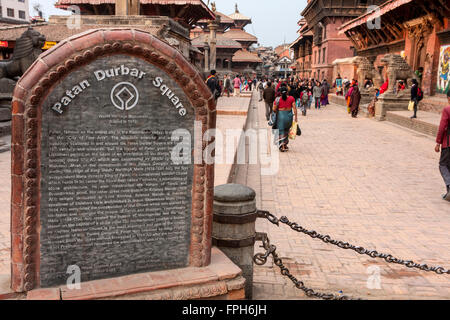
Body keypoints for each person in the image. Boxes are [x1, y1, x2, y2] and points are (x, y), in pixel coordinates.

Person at [435, 90, 450, 201]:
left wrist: (438, 142)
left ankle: (449, 185)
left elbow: (442, 127)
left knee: (443, 165)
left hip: (448, 143)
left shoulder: (447, 109)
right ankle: (448, 192)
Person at [273, 86, 298, 152]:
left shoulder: (277, 99)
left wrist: (277, 112)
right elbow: (294, 108)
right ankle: (285, 144)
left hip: (281, 117)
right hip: (289, 117)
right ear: (287, 92)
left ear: (280, 93)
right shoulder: (291, 98)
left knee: (281, 131)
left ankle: (283, 146)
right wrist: (296, 118)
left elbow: (274, 109)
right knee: (286, 130)